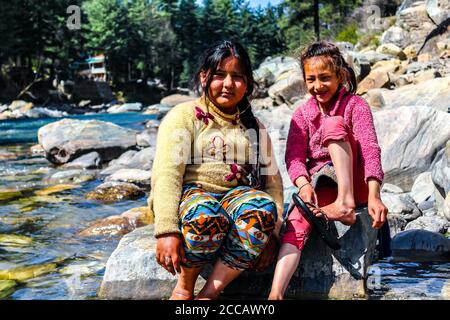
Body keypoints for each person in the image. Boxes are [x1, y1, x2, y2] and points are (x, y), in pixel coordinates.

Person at [147, 40, 284, 300]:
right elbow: (167, 174)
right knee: (206, 216)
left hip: (234, 197)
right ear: (204, 77)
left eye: (237, 77)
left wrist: (271, 234)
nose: (228, 84)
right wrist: (166, 230)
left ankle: (209, 294)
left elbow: (273, 183)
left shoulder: (255, 127)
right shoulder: (183, 116)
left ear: (248, 83)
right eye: (219, 75)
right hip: (192, 195)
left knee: (262, 208)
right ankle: (184, 287)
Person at [268, 41, 388, 300]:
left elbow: (370, 149)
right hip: (322, 184)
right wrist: (303, 185)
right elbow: (294, 158)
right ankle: (275, 294)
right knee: (296, 222)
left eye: (325, 78)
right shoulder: (302, 114)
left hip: (353, 182)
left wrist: (375, 194)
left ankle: (344, 202)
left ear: (340, 76)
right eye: (311, 79)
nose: (317, 86)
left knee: (333, 124)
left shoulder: (356, 105)